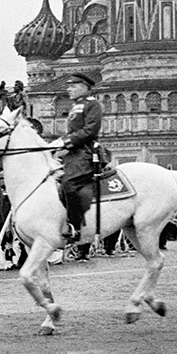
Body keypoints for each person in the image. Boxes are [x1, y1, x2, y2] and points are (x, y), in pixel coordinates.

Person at [52, 72, 102, 248]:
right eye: (68, 86)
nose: (69, 89)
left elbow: (90, 130)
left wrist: (66, 142)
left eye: (73, 86)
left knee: (68, 183)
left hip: (85, 153)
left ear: (85, 87)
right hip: (72, 153)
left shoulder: (93, 104)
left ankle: (74, 227)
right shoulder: (75, 107)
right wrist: (57, 144)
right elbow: (72, 131)